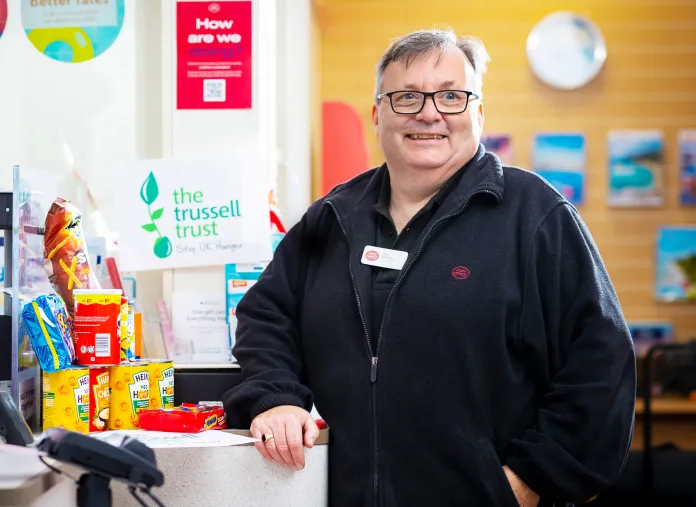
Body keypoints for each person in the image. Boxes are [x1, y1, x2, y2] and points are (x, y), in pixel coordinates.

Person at [222, 28, 636, 507]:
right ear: (378, 115)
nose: (429, 112)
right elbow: (265, 317)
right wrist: (275, 397)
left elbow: (601, 364)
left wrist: (528, 480)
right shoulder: (332, 217)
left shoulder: (536, 217)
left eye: (451, 96)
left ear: (478, 112)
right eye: (407, 97)